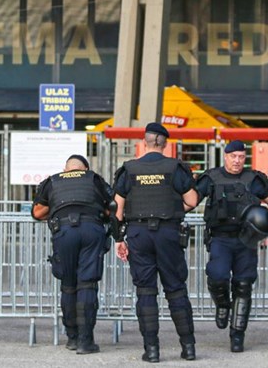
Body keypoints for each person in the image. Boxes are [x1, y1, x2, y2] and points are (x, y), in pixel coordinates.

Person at [194, 140, 268, 352]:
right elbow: (191, 200)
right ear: (225, 156)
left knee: (243, 286)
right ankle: (223, 305)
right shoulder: (211, 178)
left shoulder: (254, 179)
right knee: (217, 276)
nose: (237, 161)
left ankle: (237, 335)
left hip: (246, 240)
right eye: (233, 156)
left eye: (241, 157)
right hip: (220, 238)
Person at [112, 122, 199, 363]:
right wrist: (172, 209)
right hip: (169, 233)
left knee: (146, 291)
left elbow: (116, 211)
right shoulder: (175, 168)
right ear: (165, 143)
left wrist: (119, 239)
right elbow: (192, 200)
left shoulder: (129, 169)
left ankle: (152, 350)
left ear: (144, 142)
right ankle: (188, 347)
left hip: (138, 233)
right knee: (176, 289)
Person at [31, 154, 113, 354]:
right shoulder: (94, 179)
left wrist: (60, 210)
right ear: (84, 169)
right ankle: (86, 342)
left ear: (66, 169)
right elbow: (112, 207)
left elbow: (37, 213)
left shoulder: (53, 181)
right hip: (91, 230)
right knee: (87, 284)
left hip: (64, 232)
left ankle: (72, 338)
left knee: (68, 285)